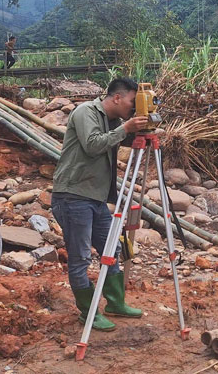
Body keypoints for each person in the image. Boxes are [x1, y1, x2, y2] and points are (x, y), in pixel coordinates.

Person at [51, 78, 149, 332]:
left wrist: (143, 128)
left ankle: (115, 303)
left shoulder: (114, 121)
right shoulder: (86, 112)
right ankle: (89, 312)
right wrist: (126, 128)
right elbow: (94, 145)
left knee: (111, 248)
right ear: (117, 98)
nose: (133, 107)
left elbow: (120, 137)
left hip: (95, 198)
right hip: (73, 196)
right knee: (81, 257)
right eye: (131, 101)